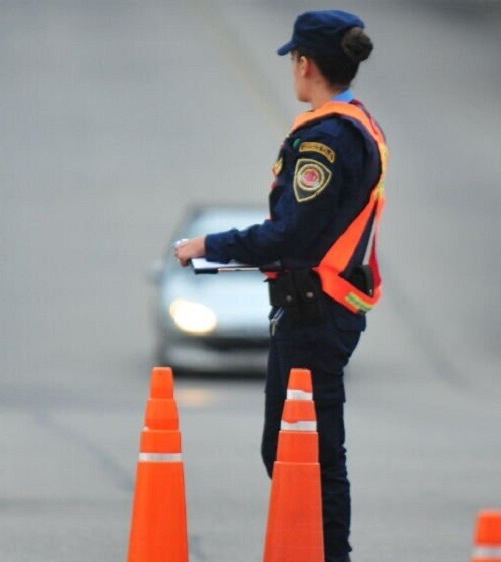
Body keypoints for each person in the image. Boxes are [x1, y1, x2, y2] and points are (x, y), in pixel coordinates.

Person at [174, 10, 387, 562]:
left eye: (294, 59)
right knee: (301, 449)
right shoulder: (351, 123)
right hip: (318, 309)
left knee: (302, 451)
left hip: (315, 314)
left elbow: (291, 230)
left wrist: (209, 245)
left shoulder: (327, 139)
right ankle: (317, 551)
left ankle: (324, 554)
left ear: (306, 63)